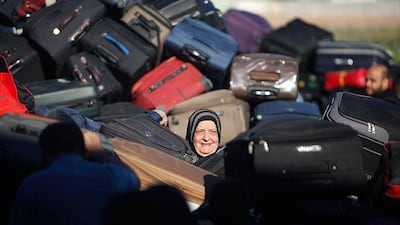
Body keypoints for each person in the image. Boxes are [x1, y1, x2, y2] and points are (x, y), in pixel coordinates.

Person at [8, 122, 140, 225]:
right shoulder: (110, 175)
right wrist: (100, 151)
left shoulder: (33, 184)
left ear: (43, 153)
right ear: (84, 150)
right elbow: (135, 182)